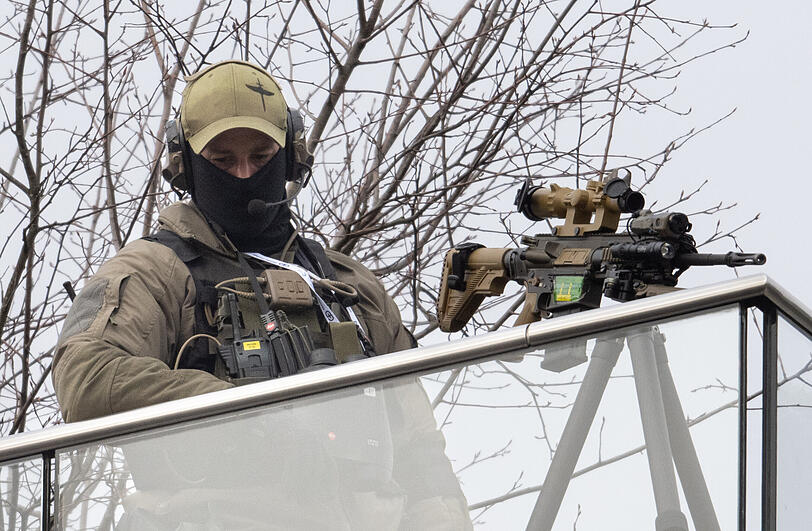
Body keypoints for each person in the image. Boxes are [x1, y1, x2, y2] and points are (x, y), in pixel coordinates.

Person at [53, 60, 470, 529]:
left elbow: (420, 452)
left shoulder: (351, 287)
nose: (245, 173)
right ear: (186, 165)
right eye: (222, 160)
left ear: (291, 156)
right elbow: (85, 378)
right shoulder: (155, 271)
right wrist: (245, 420)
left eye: (262, 156)